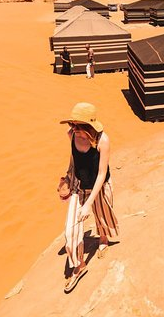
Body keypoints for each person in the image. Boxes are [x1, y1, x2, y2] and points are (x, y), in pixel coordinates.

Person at [57, 102, 118, 293]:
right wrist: (68, 177)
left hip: (99, 186)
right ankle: (79, 264)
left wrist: (89, 203)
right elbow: (73, 159)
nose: (73, 129)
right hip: (79, 186)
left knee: (102, 215)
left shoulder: (102, 141)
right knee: (70, 231)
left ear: (88, 127)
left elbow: (101, 174)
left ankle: (103, 239)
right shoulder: (71, 135)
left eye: (77, 126)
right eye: (72, 125)